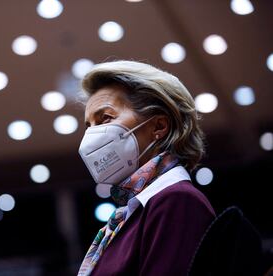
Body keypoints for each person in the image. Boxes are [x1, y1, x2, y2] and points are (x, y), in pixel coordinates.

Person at [77, 60, 216, 276]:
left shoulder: (176, 200)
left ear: (159, 126)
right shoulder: (130, 214)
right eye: (89, 126)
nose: (90, 137)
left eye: (105, 118)